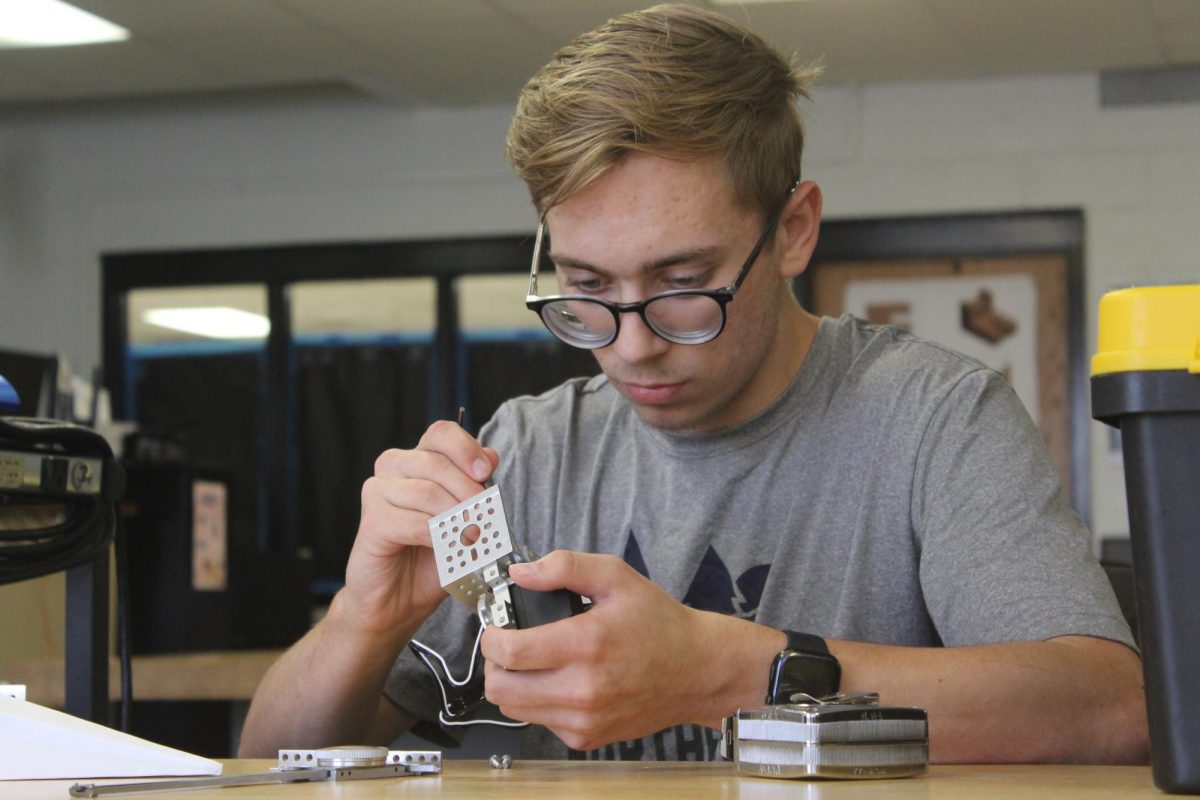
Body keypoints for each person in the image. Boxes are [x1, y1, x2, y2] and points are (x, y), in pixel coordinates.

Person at [239, 4, 1147, 763]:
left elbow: (1114, 713)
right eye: (588, 289)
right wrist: (364, 620)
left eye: (682, 287)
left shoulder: (934, 418)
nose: (631, 347)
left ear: (794, 229)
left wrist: (738, 672)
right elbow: (272, 758)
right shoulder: (524, 452)